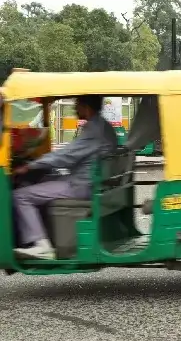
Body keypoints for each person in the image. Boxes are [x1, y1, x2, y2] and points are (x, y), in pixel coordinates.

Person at [12, 95, 117, 260]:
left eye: (77, 105)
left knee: (20, 196)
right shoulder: (103, 126)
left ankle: (42, 246)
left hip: (80, 186)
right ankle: (43, 234)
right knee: (43, 180)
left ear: (86, 108)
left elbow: (66, 157)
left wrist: (30, 166)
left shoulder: (94, 130)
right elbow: (71, 155)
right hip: (91, 182)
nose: (74, 109)